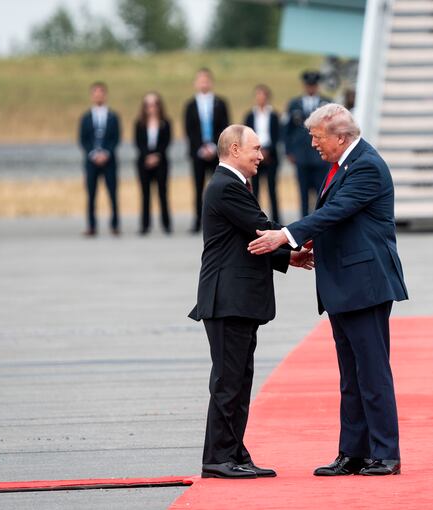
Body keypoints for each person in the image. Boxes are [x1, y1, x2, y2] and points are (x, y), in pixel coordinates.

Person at [249, 104, 408, 477]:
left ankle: (386, 453)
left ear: (339, 137)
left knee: (372, 373)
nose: (313, 145)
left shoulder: (366, 165)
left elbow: (335, 212)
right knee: (351, 375)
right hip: (343, 284)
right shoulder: (342, 165)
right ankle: (353, 452)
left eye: (317, 138)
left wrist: (285, 236)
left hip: (364, 285)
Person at [188, 125, 314, 479]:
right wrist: (298, 241)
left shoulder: (232, 185)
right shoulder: (226, 186)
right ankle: (217, 458)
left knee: (240, 380)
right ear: (233, 149)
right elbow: (261, 227)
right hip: (227, 300)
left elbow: (245, 241)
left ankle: (234, 451)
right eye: (256, 149)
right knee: (228, 382)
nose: (261, 155)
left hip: (236, 299)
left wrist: (286, 258)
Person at [184, 68, 230, 233]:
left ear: (211, 82)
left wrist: (213, 146)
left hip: (216, 152)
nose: (203, 83)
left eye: (206, 80)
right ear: (196, 83)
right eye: (200, 80)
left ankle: (219, 222)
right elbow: (189, 130)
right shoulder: (190, 105)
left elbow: (225, 126)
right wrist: (201, 147)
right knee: (198, 187)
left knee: (218, 188)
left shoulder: (220, 102)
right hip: (198, 153)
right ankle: (198, 221)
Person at [283, 70, 332, 217]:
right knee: (303, 193)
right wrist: (288, 151)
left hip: (320, 157)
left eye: (313, 85)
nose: (311, 88)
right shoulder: (294, 104)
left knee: (321, 194)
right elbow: (286, 130)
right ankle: (303, 227)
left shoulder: (327, 104)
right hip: (301, 156)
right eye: (309, 85)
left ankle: (321, 224)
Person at [78, 81, 121, 236]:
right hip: (91, 162)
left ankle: (115, 224)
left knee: (112, 193)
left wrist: (106, 153)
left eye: (101, 92)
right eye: (95, 93)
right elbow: (83, 139)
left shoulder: (113, 116)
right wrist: (93, 154)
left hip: (109, 161)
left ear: (105, 94)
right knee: (91, 194)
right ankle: (91, 225)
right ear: (92, 96)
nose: (98, 95)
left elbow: (116, 138)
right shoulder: (86, 117)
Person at [134, 92, 172, 235]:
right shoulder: (139, 123)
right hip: (144, 162)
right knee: (145, 194)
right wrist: (147, 156)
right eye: (148, 104)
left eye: (155, 104)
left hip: (161, 161)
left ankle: (166, 224)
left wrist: (157, 155)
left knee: (162, 192)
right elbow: (138, 142)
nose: (152, 107)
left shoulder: (165, 123)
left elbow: (167, 142)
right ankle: (145, 225)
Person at [244, 84, 281, 223]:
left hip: (271, 156)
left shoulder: (274, 115)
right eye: (258, 95)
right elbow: (246, 136)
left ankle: (276, 218)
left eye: (263, 95)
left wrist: (268, 151)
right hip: (254, 155)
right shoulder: (250, 115)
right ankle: (256, 218)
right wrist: (256, 151)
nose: (261, 98)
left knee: (272, 188)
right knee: (255, 189)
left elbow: (277, 135)